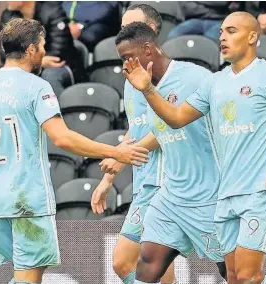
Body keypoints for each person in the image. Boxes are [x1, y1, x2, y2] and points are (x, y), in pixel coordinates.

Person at [0, 18, 149, 284]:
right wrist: (116, 152)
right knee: (29, 278)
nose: (44, 51)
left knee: (22, 275)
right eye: (42, 45)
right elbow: (62, 138)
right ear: (30, 50)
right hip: (26, 199)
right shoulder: (36, 86)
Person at [122, 12, 266, 283]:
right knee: (234, 277)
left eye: (231, 31)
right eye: (220, 33)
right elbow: (176, 118)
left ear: (252, 36)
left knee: (247, 276)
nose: (223, 38)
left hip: (262, 190)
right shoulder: (214, 82)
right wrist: (148, 90)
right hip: (225, 193)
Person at [96, 22, 228, 284]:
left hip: (208, 195)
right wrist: (119, 159)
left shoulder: (194, 78)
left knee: (236, 274)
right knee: (145, 267)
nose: (124, 66)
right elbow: (153, 131)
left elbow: (233, 113)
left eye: (127, 58)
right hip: (169, 197)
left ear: (147, 49)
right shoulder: (140, 86)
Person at [90, 5, 177, 284]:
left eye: (132, 27)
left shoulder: (167, 75)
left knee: (125, 260)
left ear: (149, 34)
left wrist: (126, 155)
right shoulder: (131, 78)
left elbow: (168, 127)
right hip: (146, 181)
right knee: (159, 271)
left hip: (165, 182)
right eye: (122, 27)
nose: (124, 33)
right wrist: (107, 179)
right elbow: (136, 130)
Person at [0, 1, 82, 95]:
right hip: (29, 66)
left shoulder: (53, 10)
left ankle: (58, 109)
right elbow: (5, 52)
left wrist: (24, 62)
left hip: (62, 66)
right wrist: (36, 62)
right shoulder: (8, 16)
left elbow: (58, 51)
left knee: (50, 76)